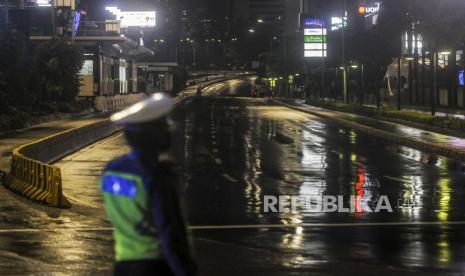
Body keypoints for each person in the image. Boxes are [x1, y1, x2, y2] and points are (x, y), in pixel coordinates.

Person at [101, 93, 196, 276]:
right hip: (156, 266)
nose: (169, 131)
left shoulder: (111, 171)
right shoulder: (156, 175)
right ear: (153, 135)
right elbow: (170, 233)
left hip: (123, 265)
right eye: (164, 127)